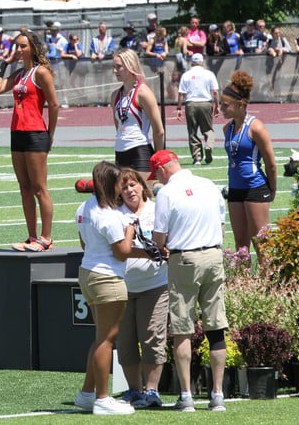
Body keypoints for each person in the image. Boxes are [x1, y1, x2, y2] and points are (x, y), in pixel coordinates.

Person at [149, 149, 228, 412]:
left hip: (185, 259)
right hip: (214, 254)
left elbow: (159, 237)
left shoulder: (167, 193)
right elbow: (222, 225)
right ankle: (217, 394)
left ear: (161, 170)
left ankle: (186, 396)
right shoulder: (209, 185)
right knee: (216, 327)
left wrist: (163, 245)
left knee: (182, 328)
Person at [73, 161, 137, 416]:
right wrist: (130, 229)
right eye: (120, 183)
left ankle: (87, 394)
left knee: (100, 338)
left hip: (87, 272)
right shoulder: (109, 216)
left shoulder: (84, 206)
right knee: (107, 340)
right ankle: (102, 398)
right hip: (107, 278)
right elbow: (122, 252)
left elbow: (82, 241)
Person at [0, 31, 59, 251]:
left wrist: (50, 134)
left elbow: (54, 104)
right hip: (17, 133)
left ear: (33, 47)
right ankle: (31, 237)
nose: (18, 51)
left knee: (40, 188)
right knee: (24, 188)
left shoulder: (42, 73)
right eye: (16, 47)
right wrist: (4, 62)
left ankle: (46, 238)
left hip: (35, 133)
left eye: (22, 46)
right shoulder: (20, 74)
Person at [115, 168, 168, 409]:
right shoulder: (116, 215)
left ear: (142, 186)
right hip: (122, 288)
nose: (129, 190)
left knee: (152, 338)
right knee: (125, 341)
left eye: (133, 184)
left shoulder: (157, 210)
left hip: (155, 285)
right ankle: (133, 390)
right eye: (124, 187)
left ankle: (152, 390)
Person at [220, 71, 277, 263]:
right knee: (240, 245)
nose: (221, 108)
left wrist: (272, 189)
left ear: (240, 105)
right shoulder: (226, 128)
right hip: (235, 189)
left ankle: (269, 283)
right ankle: (243, 285)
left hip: (255, 187)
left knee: (261, 242)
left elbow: (271, 163)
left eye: (225, 105)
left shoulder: (256, 127)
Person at [111, 49, 164, 178]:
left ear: (130, 66)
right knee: (122, 196)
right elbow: (118, 126)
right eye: (114, 67)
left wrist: (159, 158)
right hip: (120, 151)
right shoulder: (115, 95)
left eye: (119, 67)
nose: (115, 71)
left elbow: (159, 130)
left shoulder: (143, 93)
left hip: (140, 152)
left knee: (142, 196)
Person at [176, 53, 220, 165]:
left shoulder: (186, 75)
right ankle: (209, 146)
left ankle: (197, 158)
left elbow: (181, 93)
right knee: (208, 130)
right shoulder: (209, 74)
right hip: (206, 103)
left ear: (192, 62)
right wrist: (217, 106)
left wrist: (179, 108)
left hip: (191, 104)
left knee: (192, 132)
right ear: (202, 62)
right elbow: (215, 92)